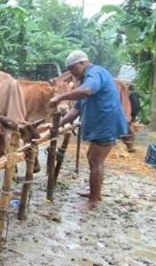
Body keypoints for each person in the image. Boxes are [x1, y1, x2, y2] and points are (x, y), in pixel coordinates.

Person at [48, 50, 127, 210]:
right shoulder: (85, 79)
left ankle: (93, 201)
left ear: (83, 63)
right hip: (100, 125)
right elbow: (76, 110)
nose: (71, 72)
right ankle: (95, 193)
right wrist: (60, 125)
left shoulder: (95, 74)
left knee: (96, 161)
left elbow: (87, 91)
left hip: (106, 124)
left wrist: (60, 97)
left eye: (73, 68)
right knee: (92, 157)